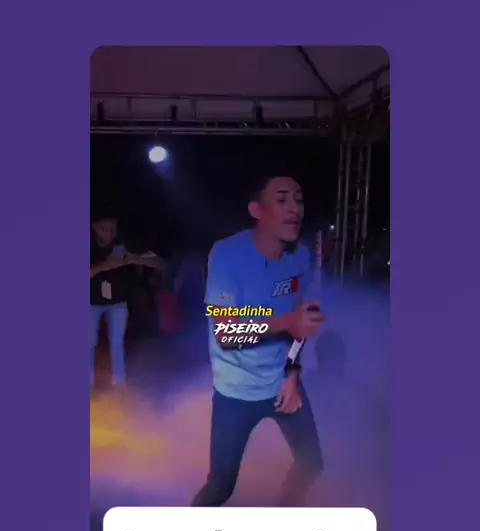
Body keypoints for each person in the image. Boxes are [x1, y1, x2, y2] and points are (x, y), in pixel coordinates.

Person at [192, 171, 325, 508]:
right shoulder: (226, 255)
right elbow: (226, 333)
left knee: (311, 464)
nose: (294, 208)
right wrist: (287, 322)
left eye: (299, 199)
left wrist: (292, 374)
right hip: (235, 392)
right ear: (257, 210)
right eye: (281, 200)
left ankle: (278, 522)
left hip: (282, 384)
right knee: (221, 486)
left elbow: (301, 319)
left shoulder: (301, 257)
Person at [90, 214, 164, 391]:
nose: (109, 233)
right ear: (94, 227)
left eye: (113, 229)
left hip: (118, 302)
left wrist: (135, 259)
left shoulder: (123, 245)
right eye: (104, 229)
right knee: (89, 342)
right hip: (91, 302)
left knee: (117, 341)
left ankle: (119, 380)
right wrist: (105, 266)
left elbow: (160, 263)